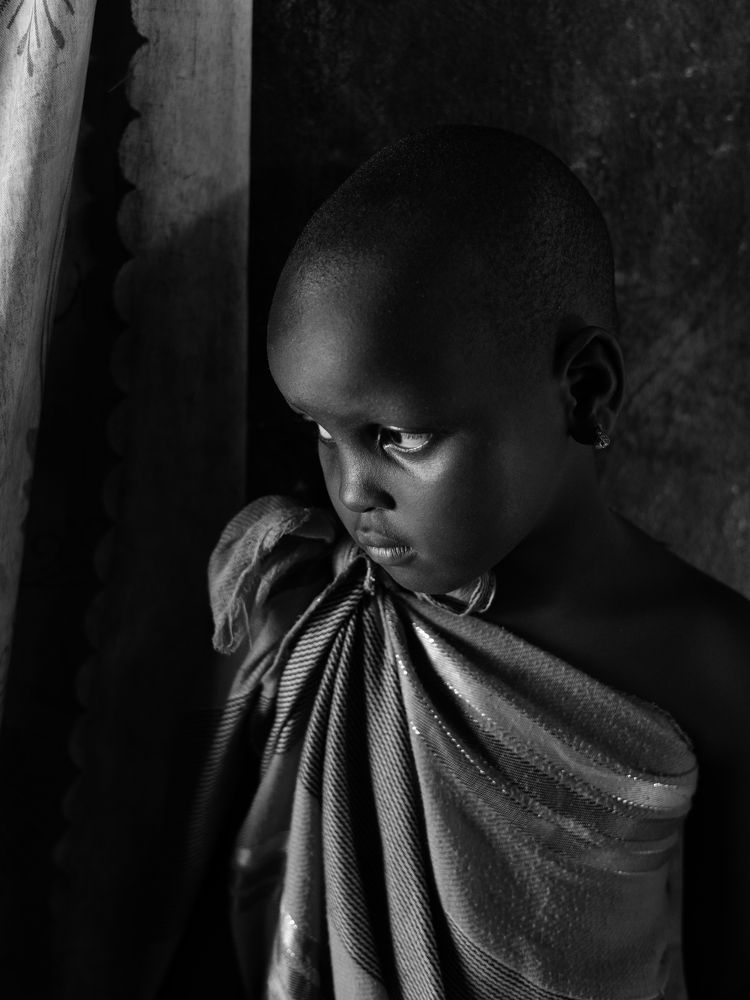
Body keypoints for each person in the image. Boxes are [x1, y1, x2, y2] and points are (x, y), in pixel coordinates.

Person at [197, 126, 750, 999]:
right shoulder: (305, 611)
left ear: (586, 391)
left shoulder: (716, 663)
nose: (350, 491)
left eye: (400, 438)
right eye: (321, 434)